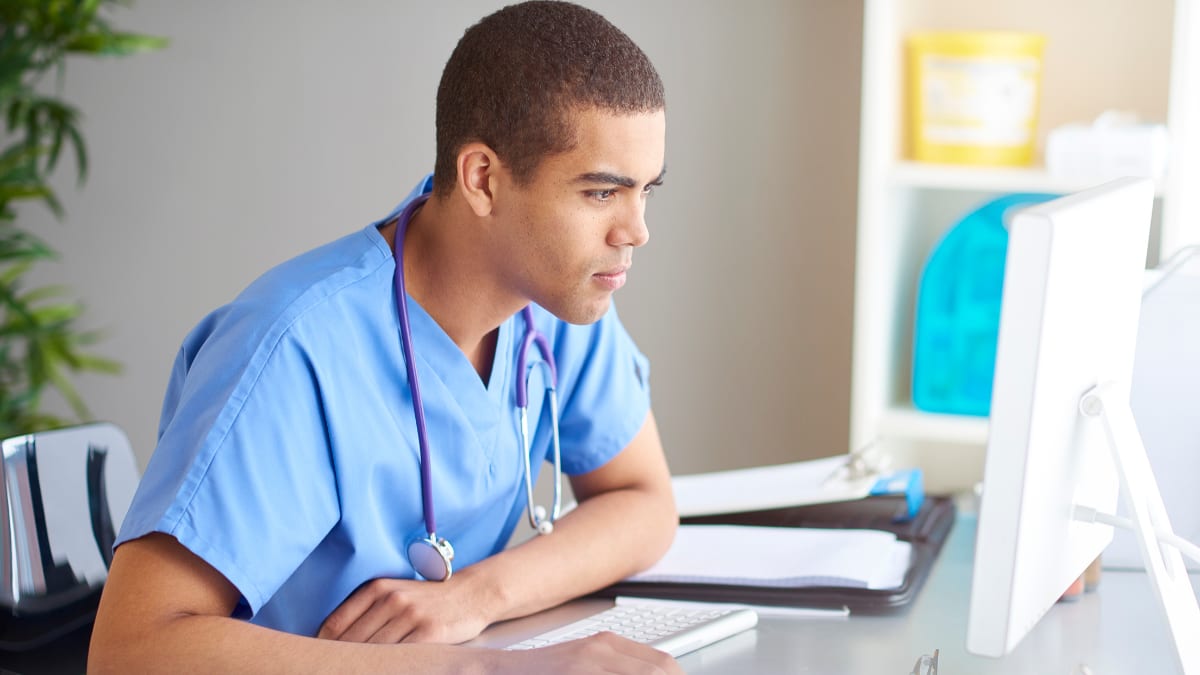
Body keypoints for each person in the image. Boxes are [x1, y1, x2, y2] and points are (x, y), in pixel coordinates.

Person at [88, 2, 681, 673]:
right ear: (483, 179)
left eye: (645, 192)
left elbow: (644, 500)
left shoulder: (556, 299)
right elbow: (127, 649)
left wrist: (475, 597)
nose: (635, 232)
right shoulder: (295, 348)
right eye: (602, 194)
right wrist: (490, 668)